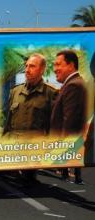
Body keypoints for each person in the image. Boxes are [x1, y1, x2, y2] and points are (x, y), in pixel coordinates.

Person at [4, 53, 58, 184]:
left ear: (42, 70)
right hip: (13, 147)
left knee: (29, 183)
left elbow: (54, 123)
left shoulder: (51, 93)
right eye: (26, 66)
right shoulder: (15, 91)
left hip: (34, 148)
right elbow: (8, 120)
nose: (27, 70)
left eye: (32, 66)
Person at [51, 50, 87, 185]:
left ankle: (73, 176)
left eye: (58, 64)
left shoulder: (73, 85)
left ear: (71, 65)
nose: (55, 69)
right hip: (73, 137)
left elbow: (69, 118)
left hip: (70, 136)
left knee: (73, 157)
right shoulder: (72, 83)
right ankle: (70, 175)